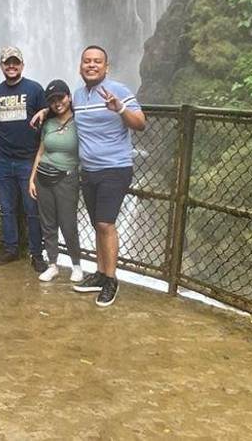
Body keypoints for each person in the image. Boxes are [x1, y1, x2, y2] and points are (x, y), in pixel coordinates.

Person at [69, 45, 146, 308]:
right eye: (87, 61)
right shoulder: (78, 96)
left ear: (106, 67)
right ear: (81, 66)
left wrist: (120, 109)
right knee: (97, 224)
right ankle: (100, 274)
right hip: (89, 170)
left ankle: (111, 279)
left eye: (97, 61)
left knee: (105, 224)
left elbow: (140, 123)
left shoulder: (120, 91)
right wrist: (46, 112)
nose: (91, 65)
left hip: (115, 167)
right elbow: (64, 116)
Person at [0, 46, 48, 271]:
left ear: (22, 65)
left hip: (28, 161)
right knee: (7, 208)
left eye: (15, 62)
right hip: (3, 159)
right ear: (1, 66)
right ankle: (11, 249)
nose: (11, 66)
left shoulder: (34, 89)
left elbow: (48, 117)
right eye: (7, 62)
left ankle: (36, 253)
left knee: (32, 210)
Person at [28, 79, 84, 284]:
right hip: (43, 177)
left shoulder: (81, 121)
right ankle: (53, 264)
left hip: (67, 178)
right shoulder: (48, 123)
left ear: (69, 97)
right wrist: (32, 179)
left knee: (68, 224)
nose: (57, 103)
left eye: (60, 97)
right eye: (52, 100)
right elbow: (41, 151)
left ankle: (76, 265)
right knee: (48, 224)